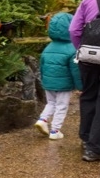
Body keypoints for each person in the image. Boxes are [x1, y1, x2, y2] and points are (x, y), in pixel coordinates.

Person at [34, 12, 82, 140]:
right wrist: (80, 86)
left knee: (51, 103)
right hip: (64, 85)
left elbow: (42, 66)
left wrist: (44, 81)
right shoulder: (72, 49)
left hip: (48, 83)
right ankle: (55, 131)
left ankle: (42, 119)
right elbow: (75, 70)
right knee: (61, 106)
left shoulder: (48, 48)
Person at [69, 0, 100, 161]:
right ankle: (95, 148)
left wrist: (81, 51)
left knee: (88, 95)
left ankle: (85, 138)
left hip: (88, 57)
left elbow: (74, 30)